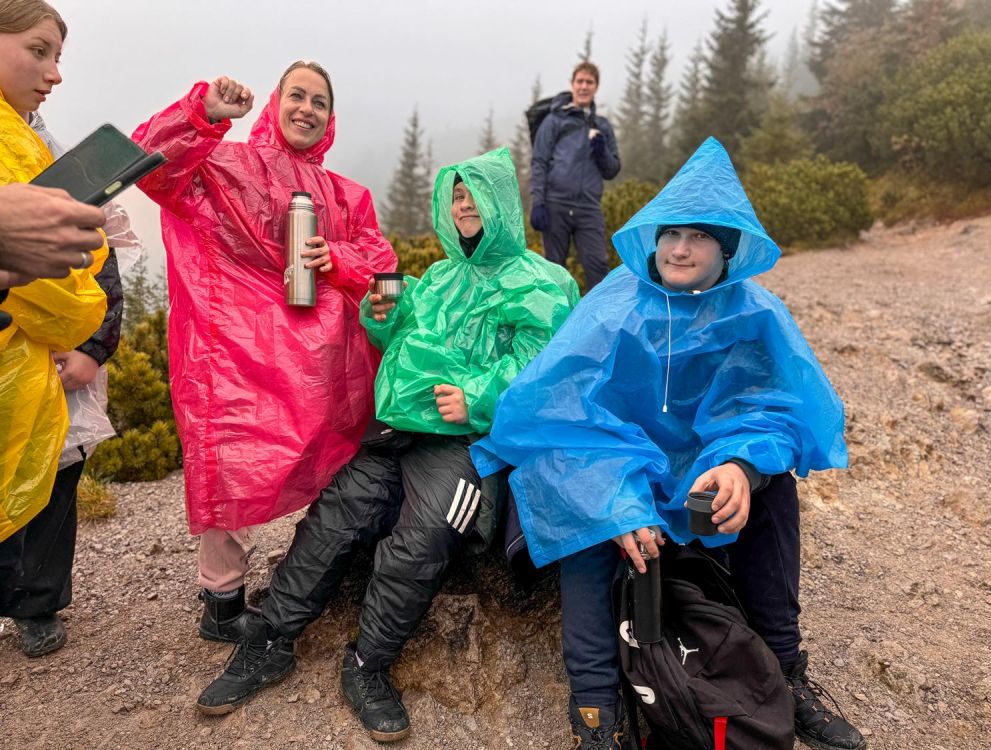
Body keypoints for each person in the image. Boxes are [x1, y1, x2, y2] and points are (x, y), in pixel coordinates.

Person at [474, 138, 866, 750]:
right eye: (670, 233)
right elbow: (560, 417)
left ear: (728, 249)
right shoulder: (613, 308)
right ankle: (596, 711)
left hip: (697, 479)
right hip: (613, 469)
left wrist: (738, 464)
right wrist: (617, 501)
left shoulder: (755, 313)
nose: (680, 248)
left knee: (775, 492)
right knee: (586, 516)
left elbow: (776, 409)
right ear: (654, 241)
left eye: (700, 236)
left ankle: (785, 672)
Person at [195, 148, 579, 742]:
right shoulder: (438, 278)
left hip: (472, 444)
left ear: (504, 202)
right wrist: (384, 316)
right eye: (456, 196)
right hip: (400, 431)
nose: (465, 206)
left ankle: (367, 666)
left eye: (476, 195)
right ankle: (271, 640)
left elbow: (544, 370)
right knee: (335, 516)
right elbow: (401, 339)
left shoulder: (545, 282)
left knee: (422, 537)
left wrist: (480, 397)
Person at [133, 63, 397, 642]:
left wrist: (342, 259)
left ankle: (323, 572)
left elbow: (383, 264)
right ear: (276, 102)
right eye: (296, 95)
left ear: (331, 119)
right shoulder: (226, 165)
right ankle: (222, 603)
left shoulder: (348, 194)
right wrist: (203, 114)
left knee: (346, 463)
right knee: (233, 465)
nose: (306, 108)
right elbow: (149, 165)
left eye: (319, 102)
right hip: (238, 354)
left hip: (325, 362)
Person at [0, 0, 109, 647]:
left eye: (59, 56)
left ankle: (37, 607)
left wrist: (94, 341)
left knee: (53, 481)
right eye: (38, 51)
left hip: (45, 364)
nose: (54, 73)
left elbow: (99, 254)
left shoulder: (40, 145)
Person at [529, 60, 620, 293]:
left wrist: (601, 151)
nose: (583, 86)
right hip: (555, 205)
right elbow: (539, 162)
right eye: (579, 81)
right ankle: (554, 326)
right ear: (572, 85)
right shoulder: (554, 121)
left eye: (589, 82)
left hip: (588, 208)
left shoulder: (602, 126)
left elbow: (612, 170)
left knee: (597, 268)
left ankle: (596, 325)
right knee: (554, 271)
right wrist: (538, 203)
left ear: (595, 87)